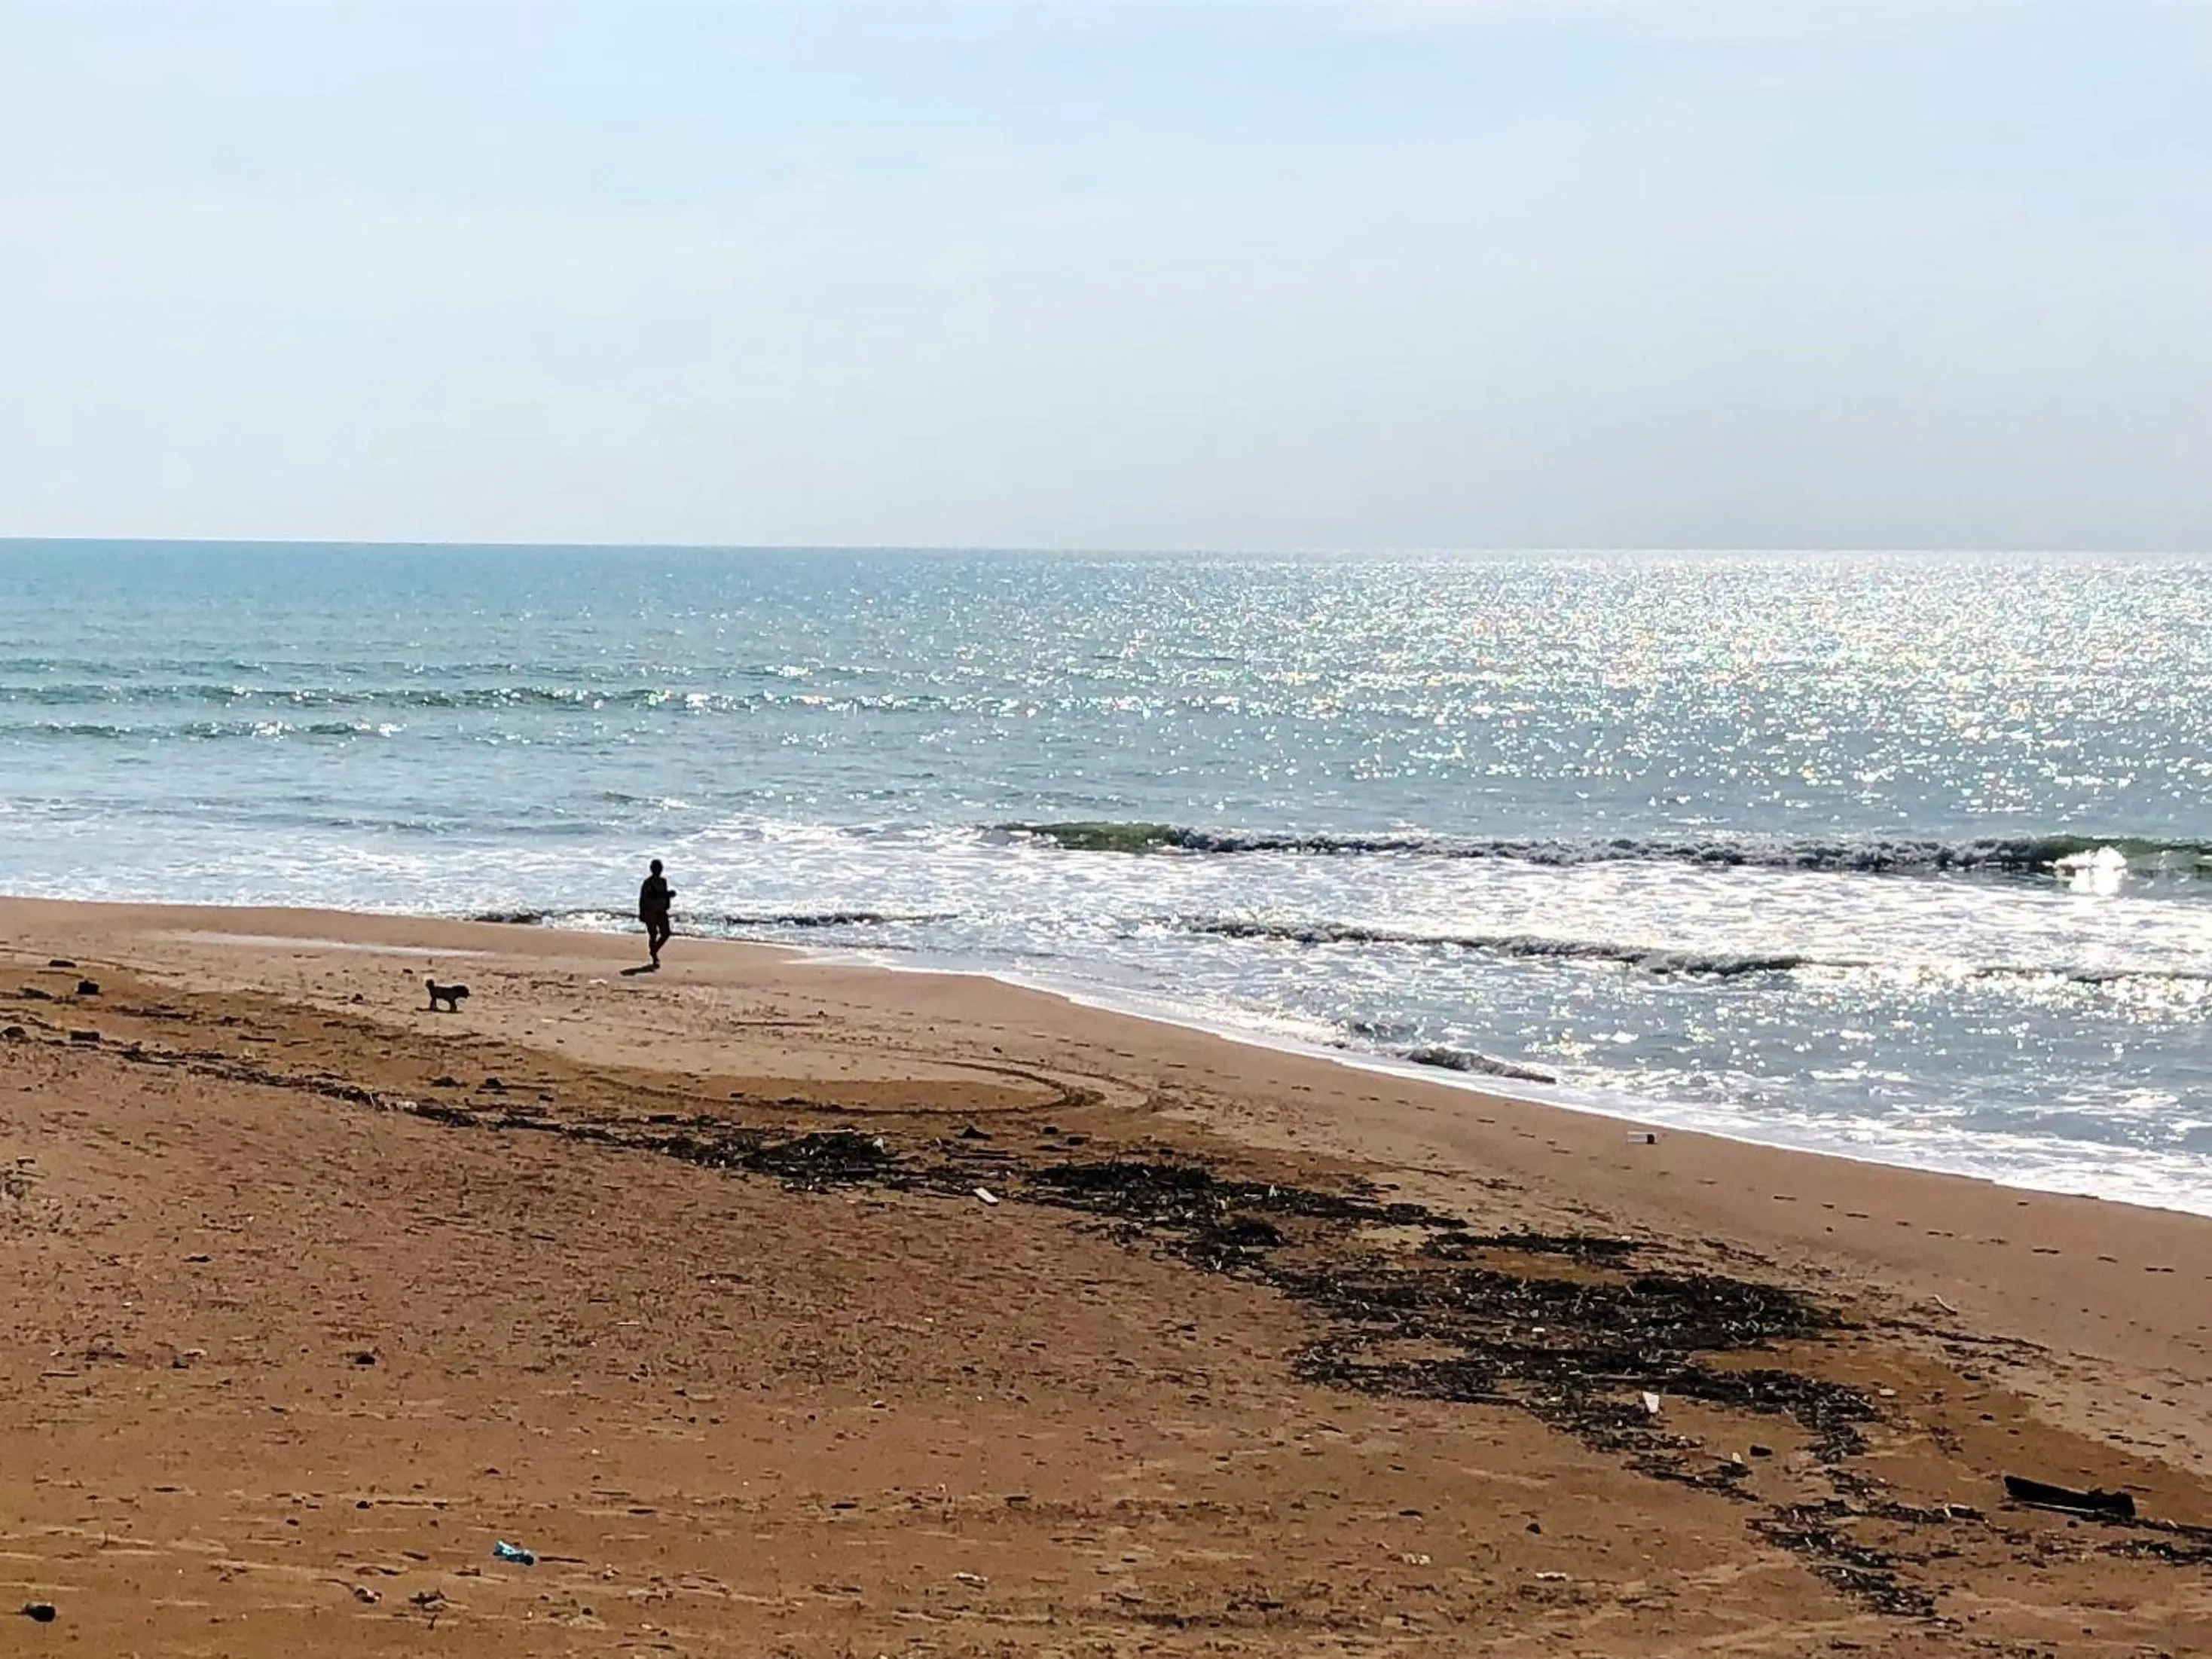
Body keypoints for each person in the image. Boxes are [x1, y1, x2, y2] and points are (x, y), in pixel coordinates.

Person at [637, 858, 674, 967]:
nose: (658, 871)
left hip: (661, 911)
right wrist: (642, 913)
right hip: (650, 912)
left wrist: (667, 902)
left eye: (660, 868)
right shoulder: (648, 883)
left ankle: (654, 950)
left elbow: (664, 895)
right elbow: (644, 898)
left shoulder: (663, 881)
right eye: (656, 869)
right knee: (653, 934)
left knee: (666, 933)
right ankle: (654, 957)